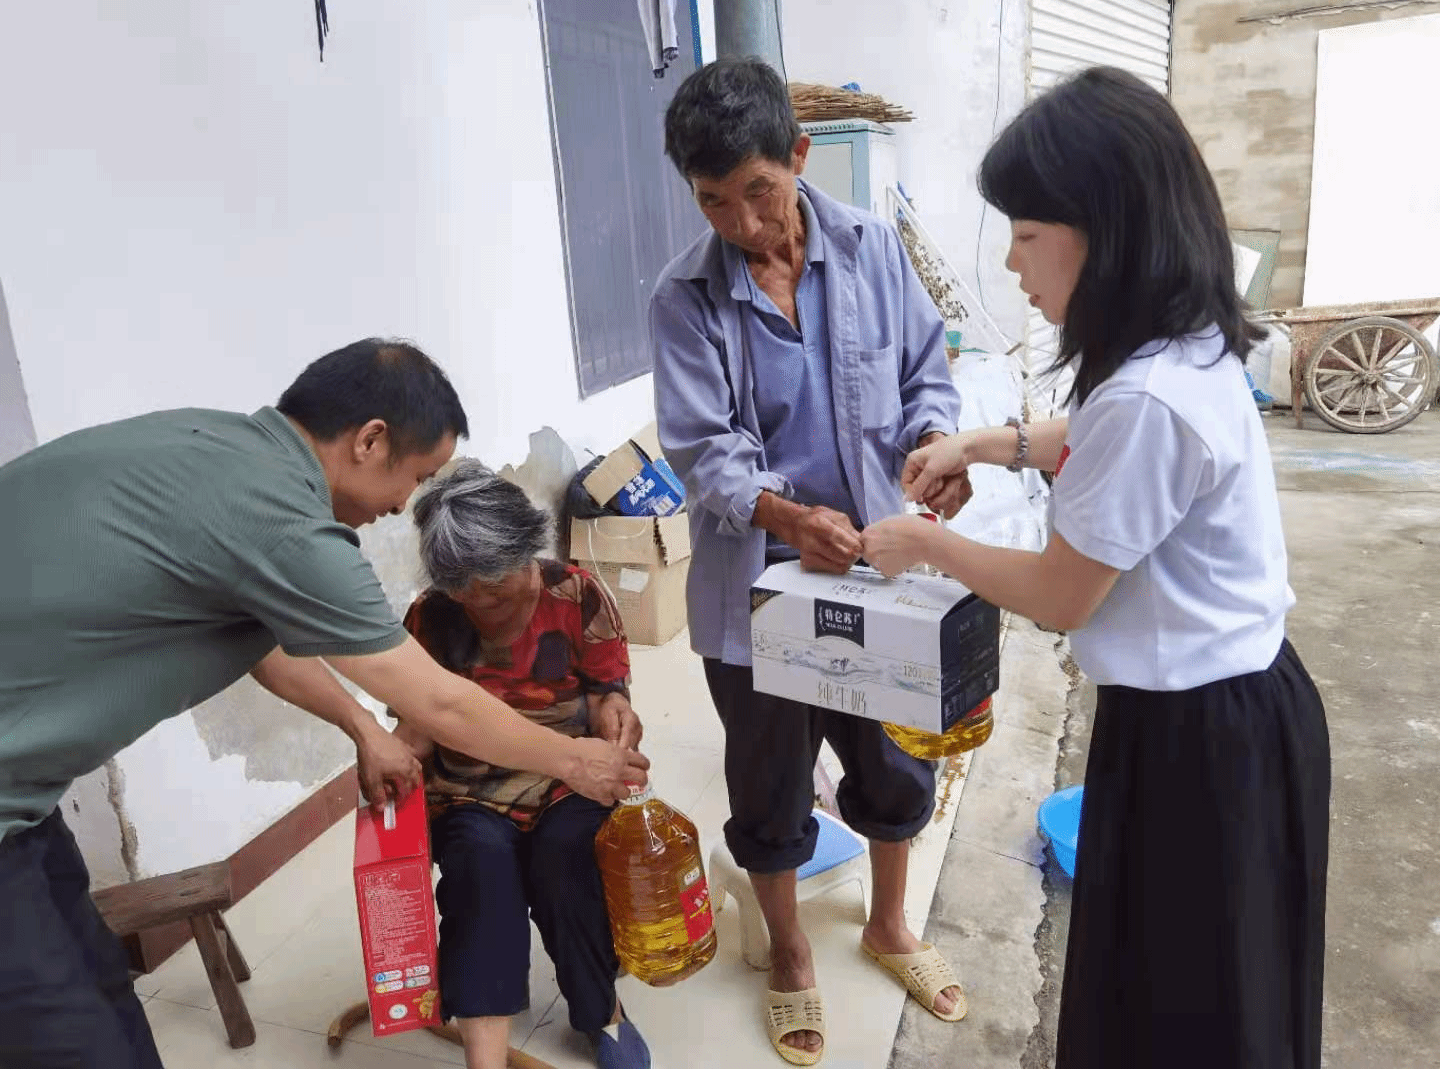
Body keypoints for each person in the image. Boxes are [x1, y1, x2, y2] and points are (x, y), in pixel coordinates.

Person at [0, 338, 648, 1069]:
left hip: (25, 802)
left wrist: (362, 727)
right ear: (370, 441)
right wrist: (576, 760)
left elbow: (256, 641)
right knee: (71, 1041)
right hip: (11, 801)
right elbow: (442, 706)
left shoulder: (220, 452)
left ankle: (601, 1009)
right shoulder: (284, 518)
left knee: (100, 988)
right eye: (415, 477)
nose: (402, 504)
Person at [861, 67, 1330, 1069]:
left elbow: (1062, 595)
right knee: (1212, 984)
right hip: (1238, 708)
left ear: (1107, 231)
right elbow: (1091, 440)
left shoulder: (1148, 397)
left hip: (1201, 741)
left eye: (1028, 234)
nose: (1012, 263)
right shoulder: (1180, 350)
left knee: (1186, 1008)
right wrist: (983, 445)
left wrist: (925, 543)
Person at [650, 59, 969, 1066]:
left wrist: (937, 442)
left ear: (797, 156)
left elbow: (925, 375)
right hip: (757, 587)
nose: (743, 223)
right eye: (713, 201)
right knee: (771, 781)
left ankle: (889, 925)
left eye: (759, 191)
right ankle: (790, 951)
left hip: (876, 568)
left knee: (893, 761)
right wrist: (788, 514)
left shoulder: (872, 251)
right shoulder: (684, 297)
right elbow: (704, 448)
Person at [390, 462, 651, 1069]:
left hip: (569, 779)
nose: (481, 603)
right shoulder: (430, 616)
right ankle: (485, 1055)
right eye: (464, 591)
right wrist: (386, 750)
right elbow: (419, 724)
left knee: (569, 863)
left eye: (496, 586)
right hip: (469, 789)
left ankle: (601, 1011)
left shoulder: (578, 594)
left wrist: (616, 717)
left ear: (526, 547)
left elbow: (606, 694)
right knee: (478, 873)